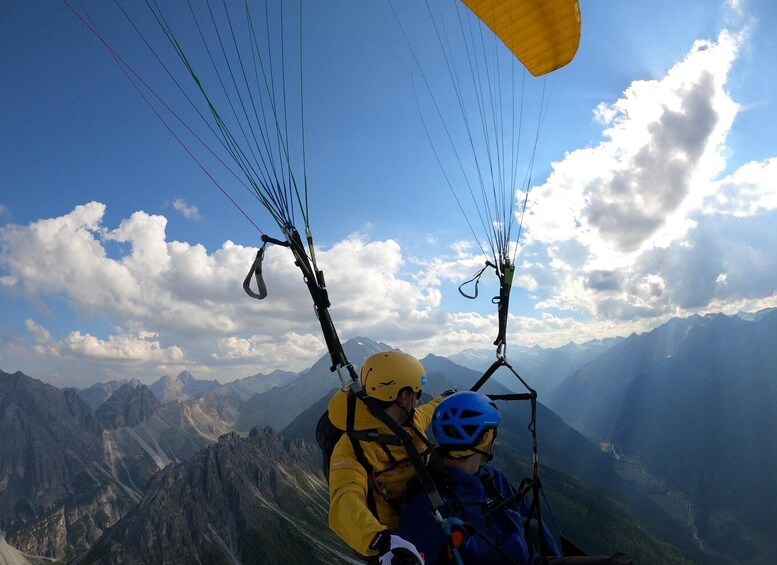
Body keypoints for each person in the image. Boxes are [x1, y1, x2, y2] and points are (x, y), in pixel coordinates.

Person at [327, 351, 446, 564]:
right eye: (417, 393)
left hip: (421, 516)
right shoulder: (351, 448)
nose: (419, 400)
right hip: (391, 546)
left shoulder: (409, 422)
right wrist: (380, 541)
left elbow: (428, 411)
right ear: (404, 396)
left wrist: (446, 399)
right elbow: (345, 499)